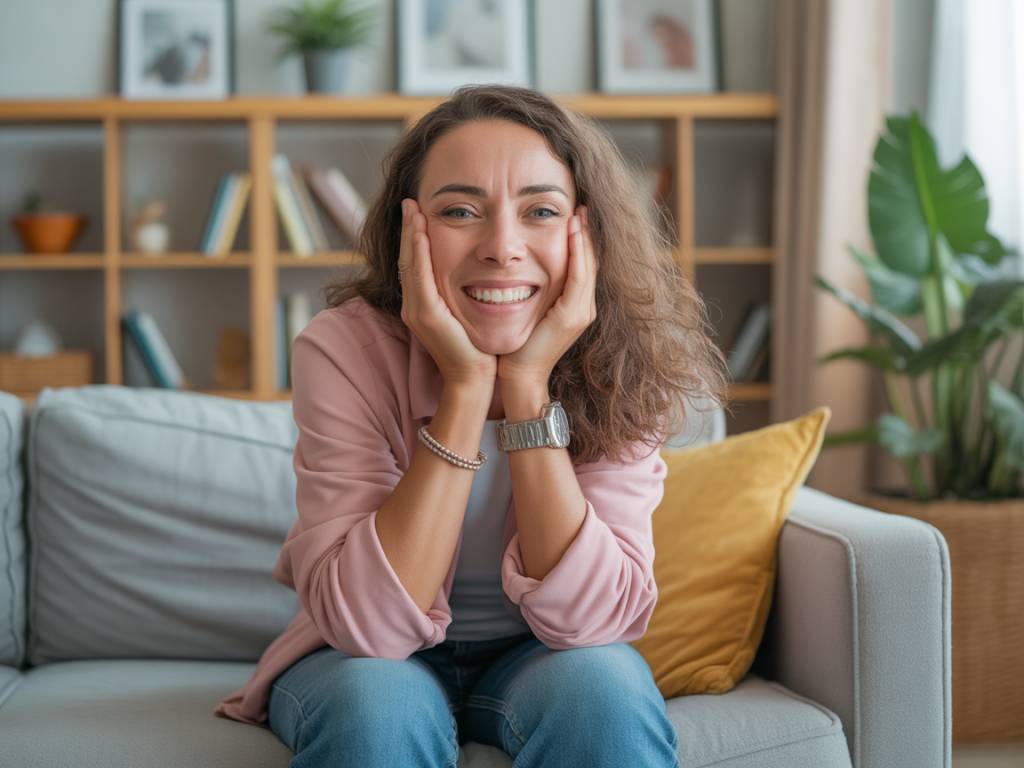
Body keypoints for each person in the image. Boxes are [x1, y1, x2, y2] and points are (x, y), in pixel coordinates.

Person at [214, 84, 728, 767]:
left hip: (539, 658)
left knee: (605, 698)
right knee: (379, 709)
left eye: (539, 211)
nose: (502, 247)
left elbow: (594, 623)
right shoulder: (341, 350)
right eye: (461, 210)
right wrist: (464, 390)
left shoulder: (625, 360)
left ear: (586, 231)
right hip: (359, 661)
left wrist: (524, 386)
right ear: (411, 231)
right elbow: (367, 626)